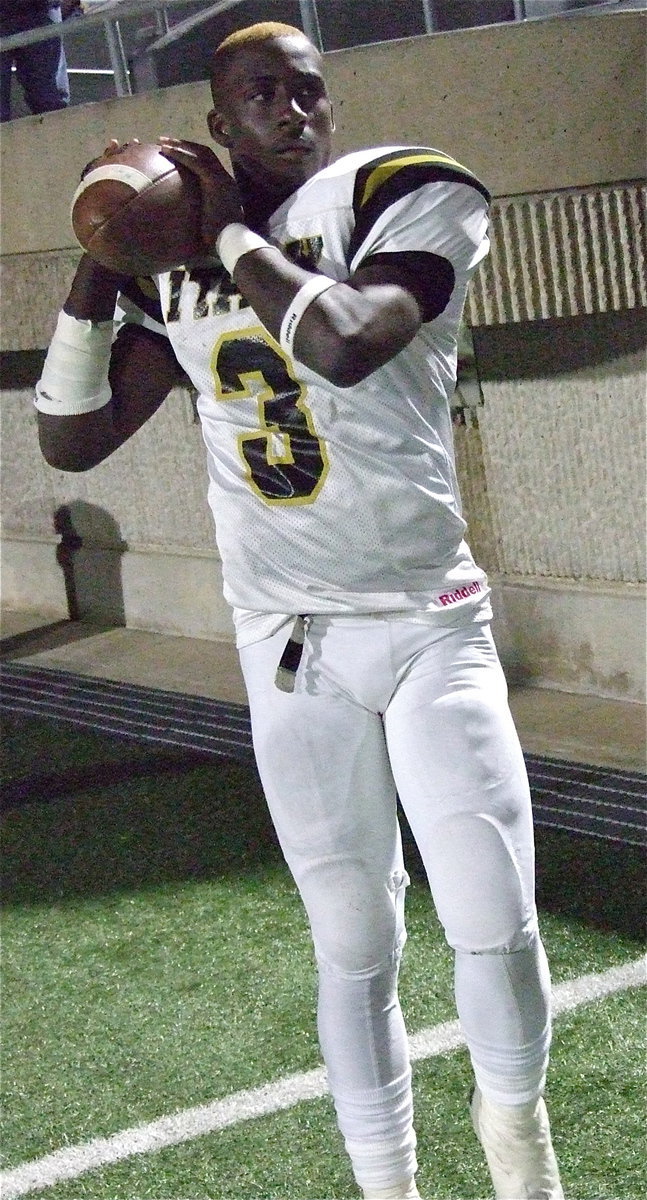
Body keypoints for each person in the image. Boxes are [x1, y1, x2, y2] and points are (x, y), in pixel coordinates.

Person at [34, 21, 565, 1200]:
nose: (291, 110)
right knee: (352, 943)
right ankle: (389, 1189)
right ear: (215, 125)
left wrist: (218, 228)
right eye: (259, 95)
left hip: (429, 619)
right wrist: (105, 257)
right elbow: (68, 437)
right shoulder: (171, 255)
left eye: (306, 91)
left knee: (490, 914)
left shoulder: (401, 191)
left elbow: (345, 341)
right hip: (288, 646)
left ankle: (519, 1148)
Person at [0, 0, 77, 122]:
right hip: (36, 13)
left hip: (38, 12)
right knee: (47, 98)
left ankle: (56, 133)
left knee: (47, 99)